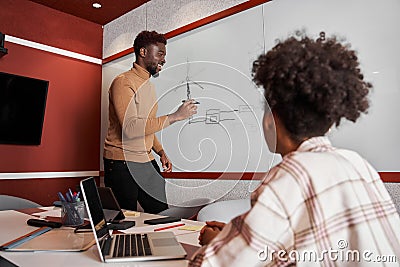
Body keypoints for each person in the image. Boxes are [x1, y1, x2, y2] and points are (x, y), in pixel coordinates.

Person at [190, 32, 400, 266]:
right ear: (329, 123)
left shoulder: (289, 175)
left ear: (270, 120)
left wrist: (214, 244)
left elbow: (214, 264)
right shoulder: (358, 164)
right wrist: (232, 236)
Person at [103, 30, 197, 214]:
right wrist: (175, 116)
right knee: (123, 221)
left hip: (146, 161)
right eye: (160, 54)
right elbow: (131, 128)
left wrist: (160, 151)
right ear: (143, 52)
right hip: (122, 164)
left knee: (161, 214)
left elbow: (146, 126)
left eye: (164, 55)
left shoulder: (148, 85)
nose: (163, 60)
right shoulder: (123, 82)